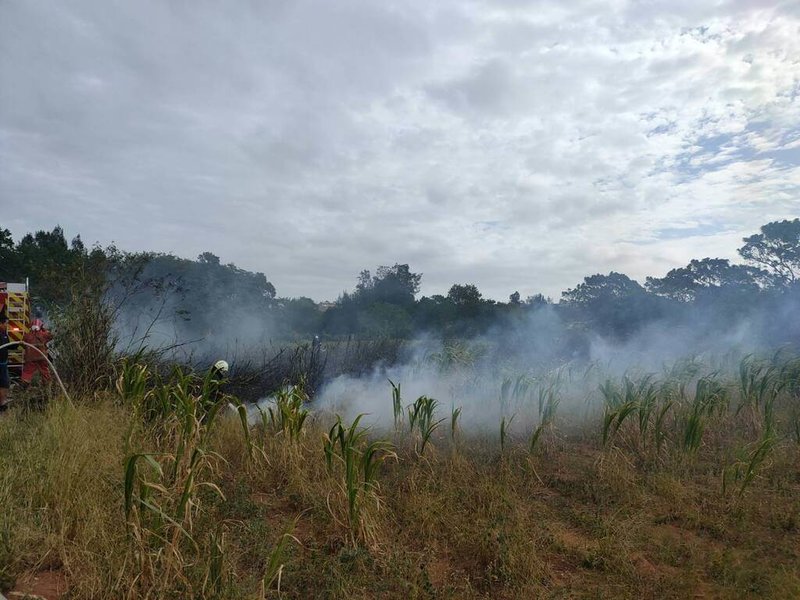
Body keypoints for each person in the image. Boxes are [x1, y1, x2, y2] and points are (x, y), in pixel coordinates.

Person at [21, 318, 53, 385]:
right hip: (42, 357)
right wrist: (44, 329)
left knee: (27, 371)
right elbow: (51, 336)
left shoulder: (27, 335)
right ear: (40, 326)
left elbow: (23, 344)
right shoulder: (43, 334)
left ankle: (24, 385)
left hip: (30, 358)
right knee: (44, 370)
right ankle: (47, 386)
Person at [0, 311, 17, 412]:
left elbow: (8, 346)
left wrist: (19, 343)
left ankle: (2, 404)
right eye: (6, 323)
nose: (7, 325)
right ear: (1, 323)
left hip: (3, 364)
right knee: (3, 383)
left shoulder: (4, 335)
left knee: (4, 383)